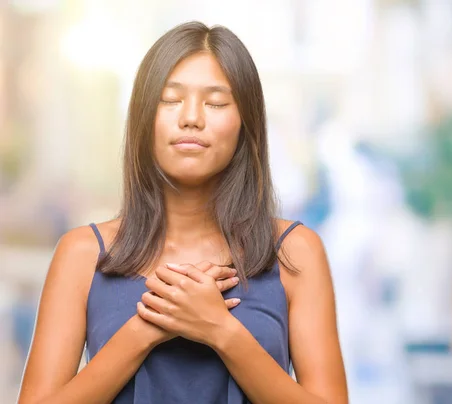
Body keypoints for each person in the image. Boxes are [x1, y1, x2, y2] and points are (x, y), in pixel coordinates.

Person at [18, 21, 348, 404]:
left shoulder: (296, 252)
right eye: (170, 99)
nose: (191, 117)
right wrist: (145, 329)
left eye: (216, 103)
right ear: (144, 118)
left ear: (245, 123)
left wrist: (220, 329)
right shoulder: (81, 253)